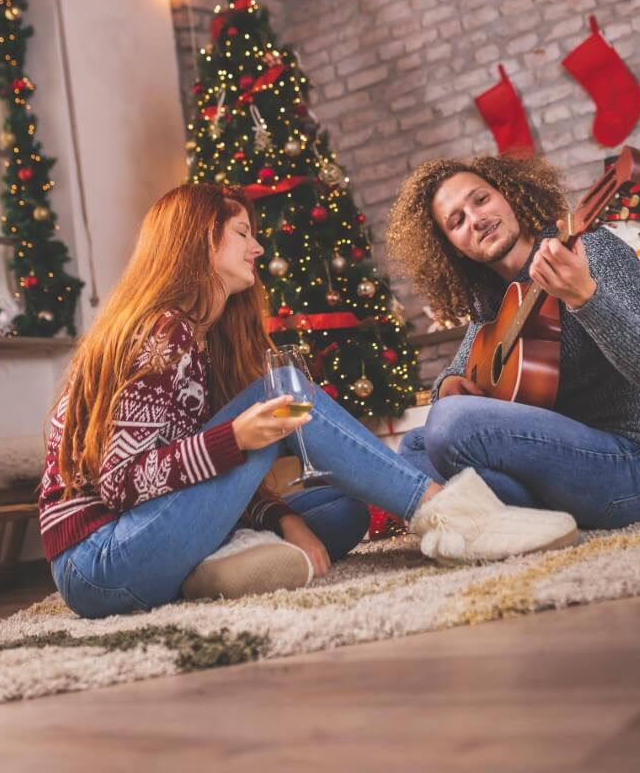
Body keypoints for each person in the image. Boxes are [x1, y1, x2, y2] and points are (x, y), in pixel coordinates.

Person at [40, 183, 577, 619]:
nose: (258, 248)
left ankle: (221, 566)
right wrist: (233, 439)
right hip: (99, 561)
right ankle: (454, 516)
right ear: (201, 239)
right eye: (243, 234)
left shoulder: (198, 341)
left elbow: (193, 480)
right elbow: (122, 482)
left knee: (341, 514)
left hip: (139, 540)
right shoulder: (162, 333)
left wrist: (280, 517)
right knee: (287, 395)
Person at [386, 155, 640, 529]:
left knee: (450, 426)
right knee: (413, 448)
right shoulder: (490, 300)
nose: (475, 219)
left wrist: (585, 297)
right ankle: (518, 518)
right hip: (571, 470)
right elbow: (458, 373)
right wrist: (449, 384)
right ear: (453, 247)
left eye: (481, 199)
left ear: (508, 195)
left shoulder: (591, 252)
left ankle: (489, 517)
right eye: (457, 221)